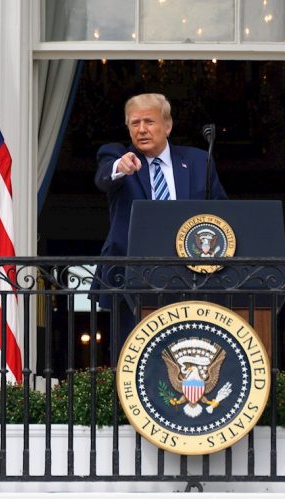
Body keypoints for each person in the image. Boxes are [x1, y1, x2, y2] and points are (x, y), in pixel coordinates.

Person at [93, 93, 228, 348]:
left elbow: (223, 213)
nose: (142, 129)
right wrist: (120, 167)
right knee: (132, 357)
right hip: (130, 280)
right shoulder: (117, 156)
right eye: (135, 123)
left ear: (167, 126)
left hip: (192, 278)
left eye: (149, 122)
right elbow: (104, 177)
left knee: (189, 350)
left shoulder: (198, 161)